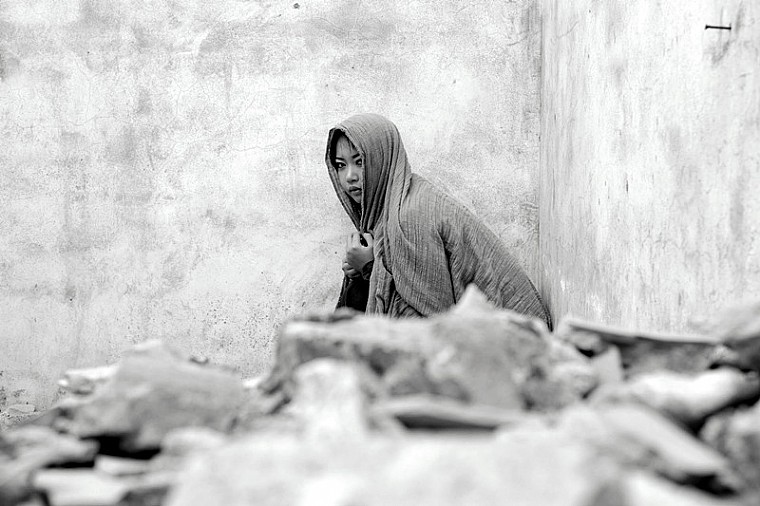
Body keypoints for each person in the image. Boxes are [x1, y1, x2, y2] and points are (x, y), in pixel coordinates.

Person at [326, 113, 552, 329]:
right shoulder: (392, 209)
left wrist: (369, 267)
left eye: (360, 162)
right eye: (341, 165)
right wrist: (364, 272)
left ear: (382, 160)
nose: (350, 176)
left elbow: (431, 323)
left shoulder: (409, 219)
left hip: (517, 339)